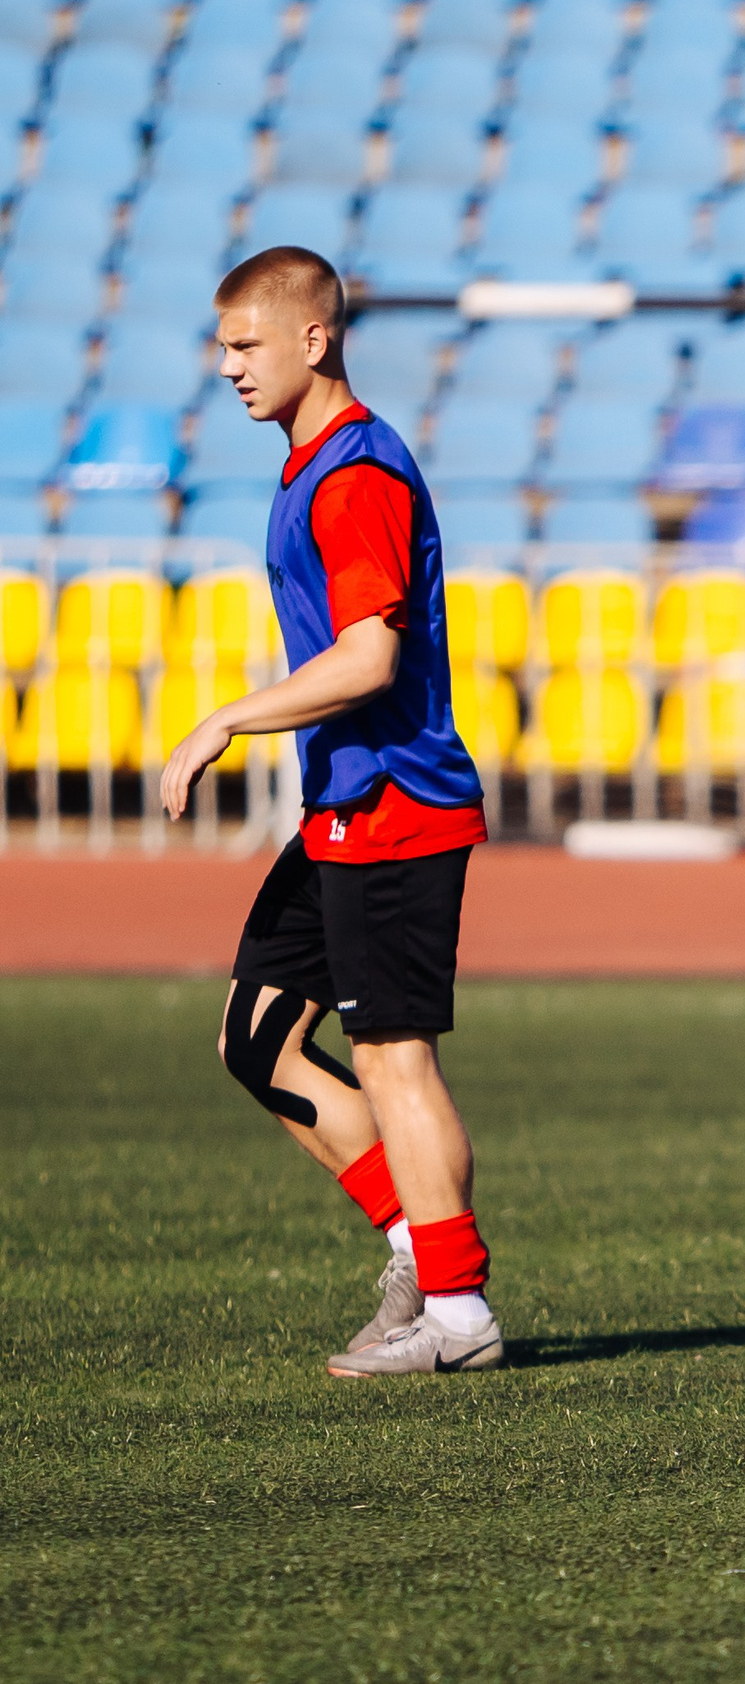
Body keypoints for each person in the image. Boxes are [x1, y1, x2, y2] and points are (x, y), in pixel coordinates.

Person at [160, 247, 505, 1374]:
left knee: (393, 1054)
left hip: (399, 803)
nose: (227, 367)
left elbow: (367, 660)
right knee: (256, 1043)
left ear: (314, 339)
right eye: (221, 347)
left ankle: (457, 1318)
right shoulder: (310, 464)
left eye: (245, 344)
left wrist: (228, 720)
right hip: (342, 807)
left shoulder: (357, 476)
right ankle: (415, 1241)